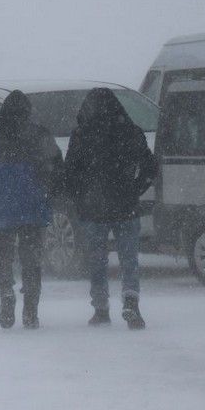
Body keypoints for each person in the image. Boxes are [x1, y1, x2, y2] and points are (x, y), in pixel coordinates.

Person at [0, 90, 63, 329]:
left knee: (1, 255)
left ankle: (5, 291)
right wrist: (48, 191)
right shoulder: (40, 134)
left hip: (0, 205)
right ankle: (31, 308)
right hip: (32, 205)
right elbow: (56, 167)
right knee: (31, 259)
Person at [64, 87, 158, 330]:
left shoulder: (81, 135)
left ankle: (101, 307)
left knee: (97, 260)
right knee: (129, 259)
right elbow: (150, 166)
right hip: (126, 205)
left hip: (93, 209)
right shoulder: (131, 132)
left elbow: (70, 172)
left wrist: (79, 197)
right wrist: (136, 188)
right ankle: (131, 301)